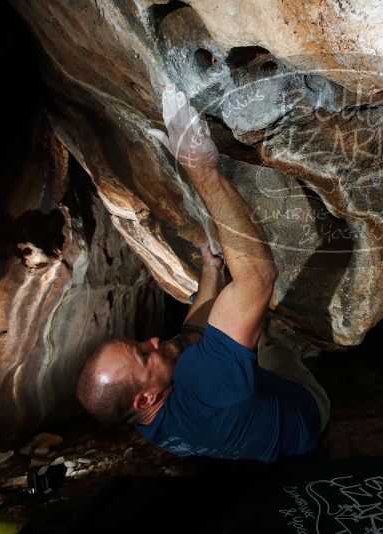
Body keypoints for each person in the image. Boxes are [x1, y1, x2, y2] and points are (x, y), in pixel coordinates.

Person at [76, 85, 329, 462]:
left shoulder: (147, 418)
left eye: (141, 342)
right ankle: (274, 345)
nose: (154, 340)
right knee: (265, 338)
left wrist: (211, 269)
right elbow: (260, 275)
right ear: (144, 397)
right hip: (305, 416)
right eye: (145, 354)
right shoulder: (202, 383)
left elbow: (191, 336)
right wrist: (200, 169)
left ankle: (249, 341)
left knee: (209, 343)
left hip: (251, 426)